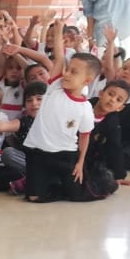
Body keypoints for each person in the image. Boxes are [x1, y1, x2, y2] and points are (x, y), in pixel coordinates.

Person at [21, 18, 99, 203]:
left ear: (87, 81)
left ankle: (97, 178)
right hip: (38, 152)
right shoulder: (55, 85)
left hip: (66, 154)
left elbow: (85, 136)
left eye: (74, 72)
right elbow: (58, 55)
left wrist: (80, 163)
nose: (67, 74)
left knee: (76, 196)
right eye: (68, 69)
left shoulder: (85, 107)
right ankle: (51, 183)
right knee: (33, 197)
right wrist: (57, 29)